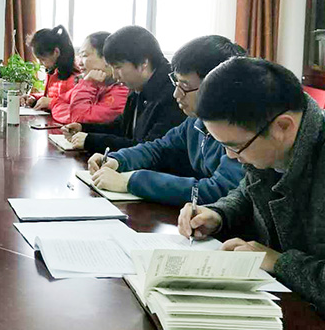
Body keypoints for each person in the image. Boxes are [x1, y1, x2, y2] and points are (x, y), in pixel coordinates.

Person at [177, 57, 325, 312]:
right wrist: (218, 214)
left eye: (235, 147)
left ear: (282, 126)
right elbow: (248, 191)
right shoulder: (271, 144)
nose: (230, 156)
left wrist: (279, 262)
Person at [88, 35, 246, 206]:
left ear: (215, 87)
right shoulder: (194, 121)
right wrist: (118, 160)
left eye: (185, 86)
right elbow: (159, 148)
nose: (176, 94)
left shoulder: (241, 130)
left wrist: (131, 181)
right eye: (176, 83)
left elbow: (218, 190)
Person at [62, 26, 186, 154]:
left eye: (118, 67)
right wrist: (84, 129)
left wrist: (91, 141)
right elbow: (122, 126)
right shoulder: (139, 85)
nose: (115, 75)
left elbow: (149, 150)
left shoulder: (173, 94)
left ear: (143, 63)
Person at [53, 31, 129, 124]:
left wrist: (87, 84)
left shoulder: (121, 92)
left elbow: (79, 119)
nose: (79, 63)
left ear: (106, 58)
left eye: (84, 55)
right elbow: (59, 100)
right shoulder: (98, 83)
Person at [21, 25, 79, 116]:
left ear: (56, 52)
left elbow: (76, 107)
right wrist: (34, 98)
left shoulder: (75, 77)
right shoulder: (53, 72)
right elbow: (51, 97)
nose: (40, 63)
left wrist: (50, 102)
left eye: (43, 59)